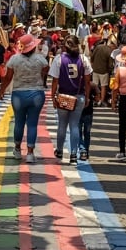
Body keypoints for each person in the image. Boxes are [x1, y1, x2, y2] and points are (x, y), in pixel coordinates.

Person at [0, 34, 49, 163]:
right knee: (32, 124)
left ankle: (17, 149)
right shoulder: (41, 59)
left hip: (18, 94)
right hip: (36, 93)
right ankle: (30, 153)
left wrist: (2, 90)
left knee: (19, 122)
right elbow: (45, 71)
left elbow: (8, 77)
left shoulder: (14, 59)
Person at [50, 36, 93, 164]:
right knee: (75, 125)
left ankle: (59, 151)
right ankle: (74, 154)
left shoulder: (59, 59)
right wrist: (87, 96)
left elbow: (55, 80)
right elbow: (87, 81)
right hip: (78, 96)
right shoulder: (83, 59)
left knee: (62, 125)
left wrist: (53, 96)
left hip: (63, 96)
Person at [90, 36, 115, 107]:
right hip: (104, 71)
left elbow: (92, 57)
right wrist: (110, 71)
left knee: (95, 85)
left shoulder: (98, 47)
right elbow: (110, 64)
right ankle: (102, 100)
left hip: (95, 69)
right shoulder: (109, 51)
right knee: (103, 86)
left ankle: (95, 100)